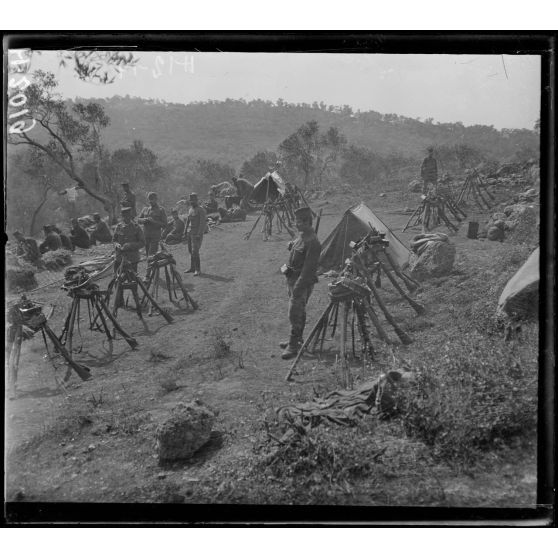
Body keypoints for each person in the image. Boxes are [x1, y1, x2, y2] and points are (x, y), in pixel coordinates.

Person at [280, 206, 321, 360]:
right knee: (298, 312)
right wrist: (291, 245)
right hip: (292, 279)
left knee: (294, 313)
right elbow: (297, 245)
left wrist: (298, 287)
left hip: (301, 282)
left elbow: (309, 269)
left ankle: (294, 345)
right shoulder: (302, 236)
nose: (295, 224)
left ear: (306, 222)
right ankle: (296, 339)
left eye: (297, 221)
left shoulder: (313, 242)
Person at [112, 207, 144, 273]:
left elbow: (142, 242)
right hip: (119, 258)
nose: (125, 218)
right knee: (117, 279)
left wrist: (130, 245)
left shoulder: (136, 227)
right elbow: (114, 240)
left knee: (133, 280)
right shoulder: (118, 227)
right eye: (124, 216)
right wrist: (116, 245)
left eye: (127, 216)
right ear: (122, 216)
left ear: (130, 216)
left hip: (132, 258)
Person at [137, 192, 167, 257]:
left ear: (156, 199)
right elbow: (138, 220)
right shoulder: (145, 209)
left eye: (152, 199)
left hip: (155, 236)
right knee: (148, 255)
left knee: (152, 254)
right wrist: (143, 220)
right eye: (149, 199)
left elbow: (165, 224)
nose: (150, 201)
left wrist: (154, 221)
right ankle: (150, 266)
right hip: (146, 236)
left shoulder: (161, 210)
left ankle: (152, 266)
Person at [185, 192, 207, 276]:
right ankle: (192, 268)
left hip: (197, 234)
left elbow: (202, 223)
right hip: (190, 233)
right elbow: (188, 220)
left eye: (194, 200)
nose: (192, 202)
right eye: (191, 201)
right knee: (190, 251)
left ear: (197, 201)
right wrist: (185, 231)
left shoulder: (200, 210)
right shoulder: (190, 210)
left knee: (195, 251)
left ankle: (198, 269)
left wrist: (199, 234)